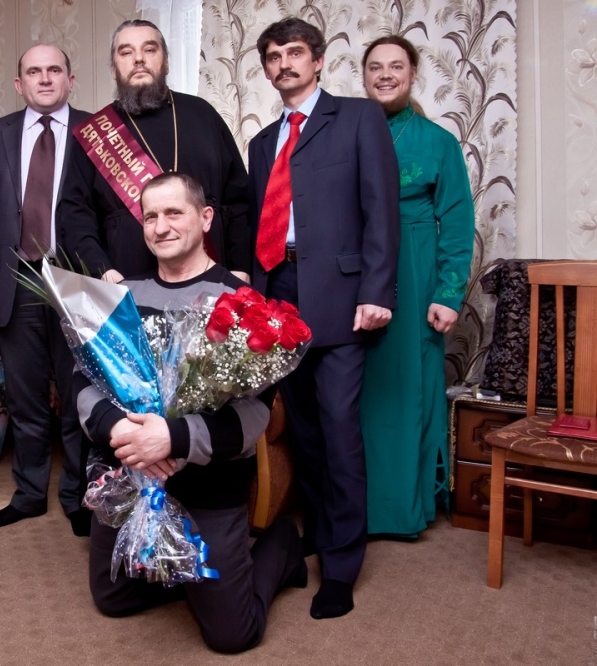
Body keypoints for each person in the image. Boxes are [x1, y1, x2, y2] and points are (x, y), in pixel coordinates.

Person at [79, 172, 306, 654]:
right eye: (150, 217)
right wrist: (121, 429)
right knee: (113, 598)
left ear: (205, 218)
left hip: (209, 485)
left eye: (173, 213)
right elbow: (85, 381)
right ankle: (182, 570)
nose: (160, 227)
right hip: (134, 474)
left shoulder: (241, 304)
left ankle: (281, 545)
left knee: (232, 636)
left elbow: (254, 417)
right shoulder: (124, 298)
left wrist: (172, 439)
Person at [248, 18, 400, 619]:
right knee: (304, 430)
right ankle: (316, 529)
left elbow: (381, 210)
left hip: (341, 296)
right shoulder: (263, 143)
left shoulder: (359, 119)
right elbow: (259, 224)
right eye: (273, 56)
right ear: (266, 69)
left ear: (317, 61)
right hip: (279, 293)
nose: (284, 63)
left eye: (295, 53)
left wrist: (377, 290)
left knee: (338, 431)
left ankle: (340, 567)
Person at [0, 45, 92, 535]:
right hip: (14, 279)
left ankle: (79, 497)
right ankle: (28, 494)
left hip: (76, 279)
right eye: (34, 72)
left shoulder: (94, 131)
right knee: (24, 397)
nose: (45, 79)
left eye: (54, 70)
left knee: (80, 394)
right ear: (19, 84)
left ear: (70, 79)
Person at [359, 36, 474, 537]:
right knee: (358, 391)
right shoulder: (346, 132)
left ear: (412, 75)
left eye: (396, 66)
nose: (385, 75)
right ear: (363, 77)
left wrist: (447, 295)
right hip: (356, 268)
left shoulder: (437, 141)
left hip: (414, 269)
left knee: (408, 389)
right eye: (375, 67)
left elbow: (458, 223)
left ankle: (403, 509)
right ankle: (355, 509)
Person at [59, 19, 253, 284]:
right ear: (114, 69)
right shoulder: (95, 132)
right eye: (126, 52)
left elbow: (239, 200)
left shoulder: (202, 114)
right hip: (125, 278)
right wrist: (101, 269)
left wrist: (241, 267)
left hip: (211, 276)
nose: (139, 59)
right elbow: (75, 214)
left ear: (166, 63)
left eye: (149, 49)